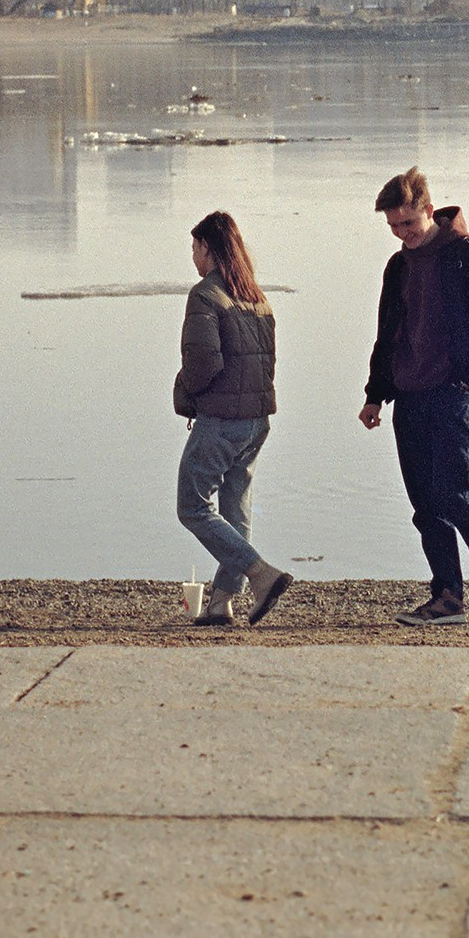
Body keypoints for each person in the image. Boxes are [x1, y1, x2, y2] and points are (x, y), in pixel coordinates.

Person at [360, 168, 469, 627]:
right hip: (408, 396)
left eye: (407, 224)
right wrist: (375, 395)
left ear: (430, 211)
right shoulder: (398, 266)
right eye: (393, 227)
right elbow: (387, 335)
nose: (401, 235)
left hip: (453, 394)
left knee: (453, 488)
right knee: (425, 502)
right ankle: (447, 597)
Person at [173, 212, 293, 627]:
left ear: (208, 248)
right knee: (236, 508)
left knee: (193, 507)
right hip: (256, 420)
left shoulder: (205, 295)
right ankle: (222, 602)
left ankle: (261, 574)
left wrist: (184, 391)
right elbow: (268, 362)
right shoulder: (257, 296)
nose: (192, 256)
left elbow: (202, 362)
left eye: (193, 248)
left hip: (221, 419)